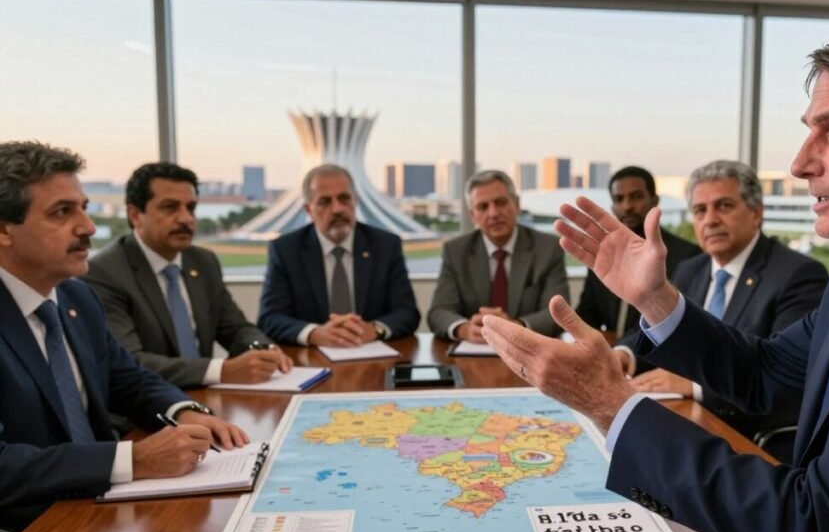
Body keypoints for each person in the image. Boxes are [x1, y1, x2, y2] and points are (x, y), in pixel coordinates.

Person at [480, 21, 829, 532]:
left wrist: (608, 404)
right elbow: (767, 375)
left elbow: (820, 525)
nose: (799, 163)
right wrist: (656, 300)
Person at [0, 142, 248, 532]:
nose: (89, 227)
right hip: (26, 531)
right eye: (63, 212)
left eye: (83, 207)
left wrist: (183, 411)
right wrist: (132, 459)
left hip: (97, 515)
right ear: (3, 229)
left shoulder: (76, 297)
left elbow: (128, 379)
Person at [624, 160, 827, 456]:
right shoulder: (690, 269)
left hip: (747, 439)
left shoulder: (798, 274)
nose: (711, 220)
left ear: (756, 212)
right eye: (700, 210)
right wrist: (622, 354)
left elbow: (785, 380)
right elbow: (659, 324)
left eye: (725, 206)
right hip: (683, 422)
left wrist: (695, 386)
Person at [84, 163, 292, 389]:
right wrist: (223, 370)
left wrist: (262, 348)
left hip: (206, 397)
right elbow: (131, 363)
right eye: (170, 207)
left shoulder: (203, 262)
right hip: (146, 412)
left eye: (190, 207)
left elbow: (236, 329)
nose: (186, 219)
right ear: (135, 215)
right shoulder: (104, 273)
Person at [258, 164, 420, 347]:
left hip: (371, 356)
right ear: (308, 210)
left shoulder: (386, 246)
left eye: (344, 198)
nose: (337, 209)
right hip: (312, 360)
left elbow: (407, 312)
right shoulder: (286, 250)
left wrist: (375, 329)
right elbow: (270, 318)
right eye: (325, 202)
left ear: (355, 201)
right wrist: (313, 333)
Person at [427, 170, 569, 341]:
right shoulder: (456, 251)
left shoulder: (547, 248)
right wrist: (464, 329)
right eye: (483, 207)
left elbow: (559, 312)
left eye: (501, 203)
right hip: (474, 356)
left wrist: (517, 327)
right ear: (473, 215)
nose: (493, 213)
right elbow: (439, 311)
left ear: (516, 205)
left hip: (530, 355)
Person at [575, 165, 701, 349]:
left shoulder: (687, 256)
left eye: (637, 196)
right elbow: (587, 314)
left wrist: (623, 348)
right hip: (610, 356)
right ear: (612, 207)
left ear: (655, 201)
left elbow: (681, 323)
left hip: (662, 363)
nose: (627, 206)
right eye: (619, 199)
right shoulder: (602, 254)